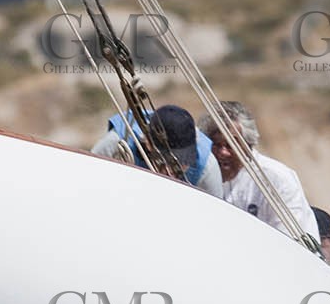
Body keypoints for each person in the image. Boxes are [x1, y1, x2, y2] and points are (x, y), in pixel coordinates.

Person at [198, 101, 318, 240]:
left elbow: (288, 239)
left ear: (249, 145)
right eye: (216, 145)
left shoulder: (275, 179)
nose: (222, 152)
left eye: (231, 145)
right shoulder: (202, 175)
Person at [91, 104, 223, 196]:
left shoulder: (206, 166)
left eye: (182, 162)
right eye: (166, 160)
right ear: (148, 143)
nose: (171, 172)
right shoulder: (117, 143)